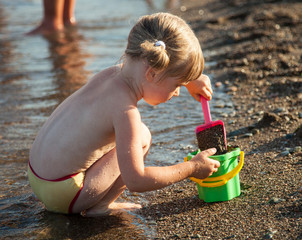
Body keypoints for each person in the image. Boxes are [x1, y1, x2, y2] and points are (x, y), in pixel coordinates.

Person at [28, 12, 220, 217]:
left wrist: (190, 77)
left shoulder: (110, 74)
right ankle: (101, 207)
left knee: (129, 135)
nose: (178, 92)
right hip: (63, 193)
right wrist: (191, 167)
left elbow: (151, 70)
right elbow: (136, 180)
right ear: (152, 73)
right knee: (142, 136)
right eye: (177, 85)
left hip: (37, 176)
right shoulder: (125, 111)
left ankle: (88, 200)